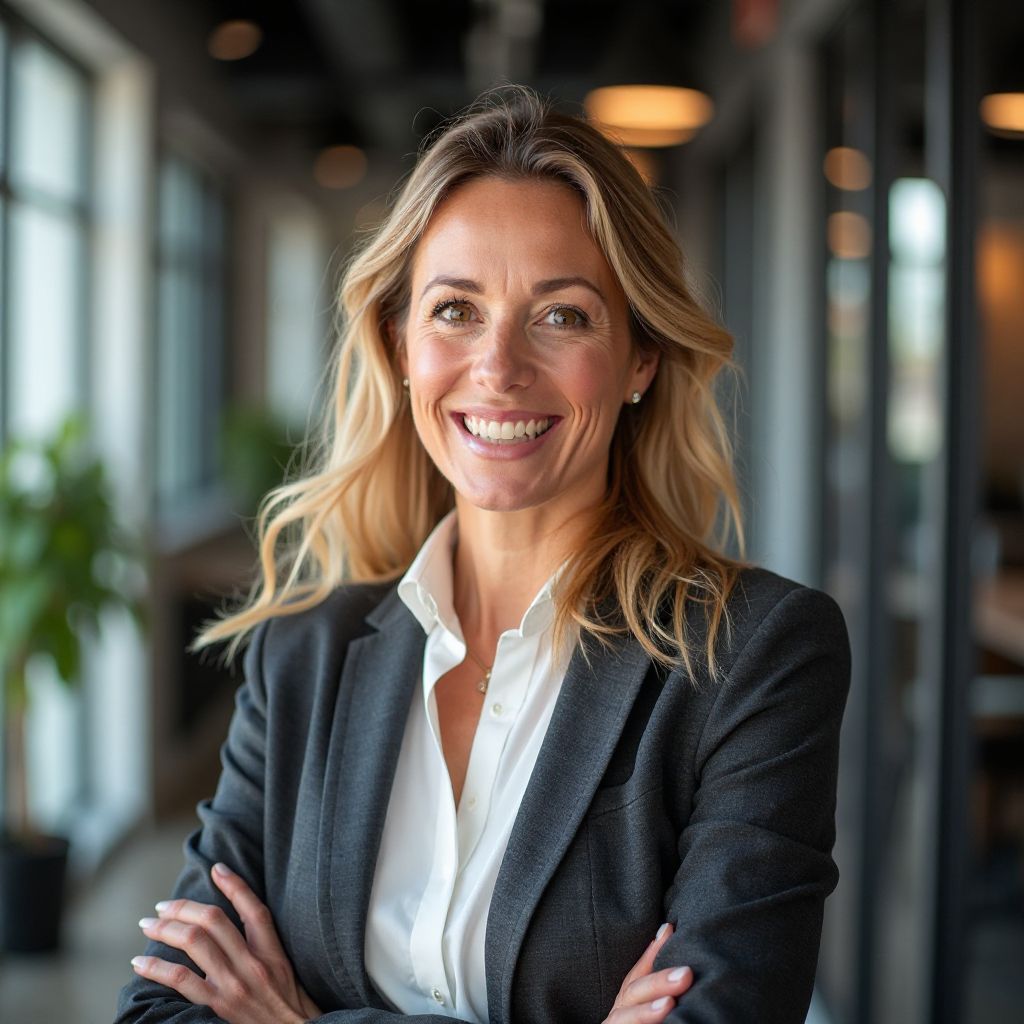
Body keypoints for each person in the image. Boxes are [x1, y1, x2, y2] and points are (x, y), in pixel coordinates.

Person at [115, 86, 850, 1024]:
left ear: (641, 360)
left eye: (563, 315)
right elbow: (159, 1008)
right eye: (455, 310)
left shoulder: (753, 656)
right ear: (400, 345)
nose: (498, 366)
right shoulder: (301, 657)